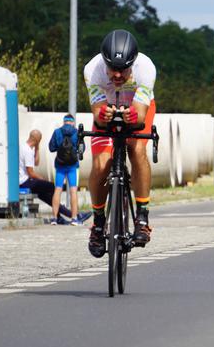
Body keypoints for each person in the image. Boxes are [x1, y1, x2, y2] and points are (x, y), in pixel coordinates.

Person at [83, 29, 157, 258]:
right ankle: (97, 224)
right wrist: (103, 114)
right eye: (112, 69)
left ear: (133, 64)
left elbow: (141, 115)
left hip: (137, 108)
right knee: (100, 164)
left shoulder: (146, 68)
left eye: (123, 70)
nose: (116, 75)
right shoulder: (92, 70)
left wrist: (133, 117)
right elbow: (97, 111)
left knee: (137, 150)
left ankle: (142, 216)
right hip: (107, 107)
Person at [19, 130, 81, 224]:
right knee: (53, 187)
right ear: (37, 140)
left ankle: (62, 215)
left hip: (24, 181)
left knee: (45, 195)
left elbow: (36, 162)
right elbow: (31, 172)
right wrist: (42, 179)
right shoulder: (27, 151)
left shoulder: (25, 147)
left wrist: (37, 148)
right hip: (24, 181)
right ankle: (70, 214)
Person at [48, 114, 91, 226]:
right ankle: (74, 218)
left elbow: (51, 148)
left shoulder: (57, 132)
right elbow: (82, 149)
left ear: (64, 122)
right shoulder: (77, 132)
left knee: (57, 190)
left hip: (60, 165)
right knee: (73, 191)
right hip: (73, 166)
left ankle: (54, 219)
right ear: (72, 122)